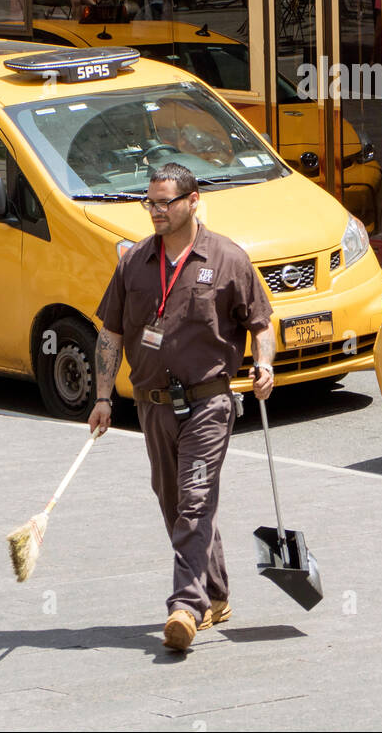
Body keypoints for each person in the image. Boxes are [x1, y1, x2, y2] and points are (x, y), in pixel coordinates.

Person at [91, 164, 275, 652]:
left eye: (165, 202)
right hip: (152, 406)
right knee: (176, 506)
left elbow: (260, 322)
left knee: (194, 501)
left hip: (209, 402)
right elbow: (110, 332)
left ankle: (184, 608)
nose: (155, 211)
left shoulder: (228, 259)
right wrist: (103, 397)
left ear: (193, 202)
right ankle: (215, 595)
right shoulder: (133, 263)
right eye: (149, 202)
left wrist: (265, 364)